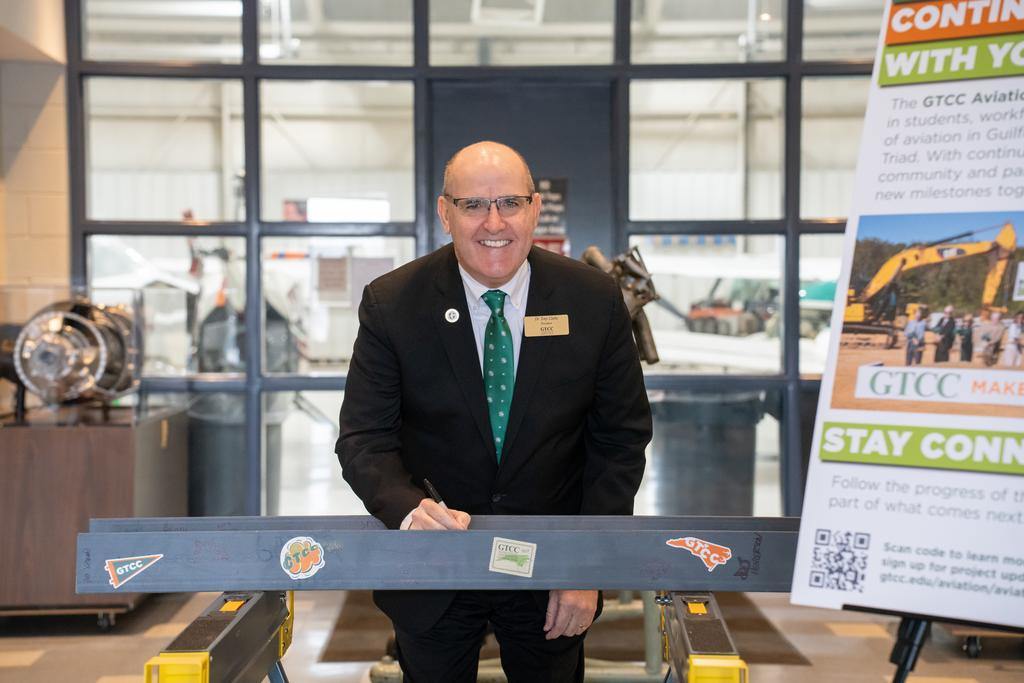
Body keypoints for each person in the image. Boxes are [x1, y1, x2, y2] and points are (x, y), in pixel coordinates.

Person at [336, 140, 652, 682]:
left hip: (553, 572)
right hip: (433, 569)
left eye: (509, 202)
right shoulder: (393, 303)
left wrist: (584, 563)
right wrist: (408, 509)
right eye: (473, 205)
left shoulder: (592, 299)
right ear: (445, 212)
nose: (493, 222)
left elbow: (620, 441)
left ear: (534, 209)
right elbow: (364, 438)